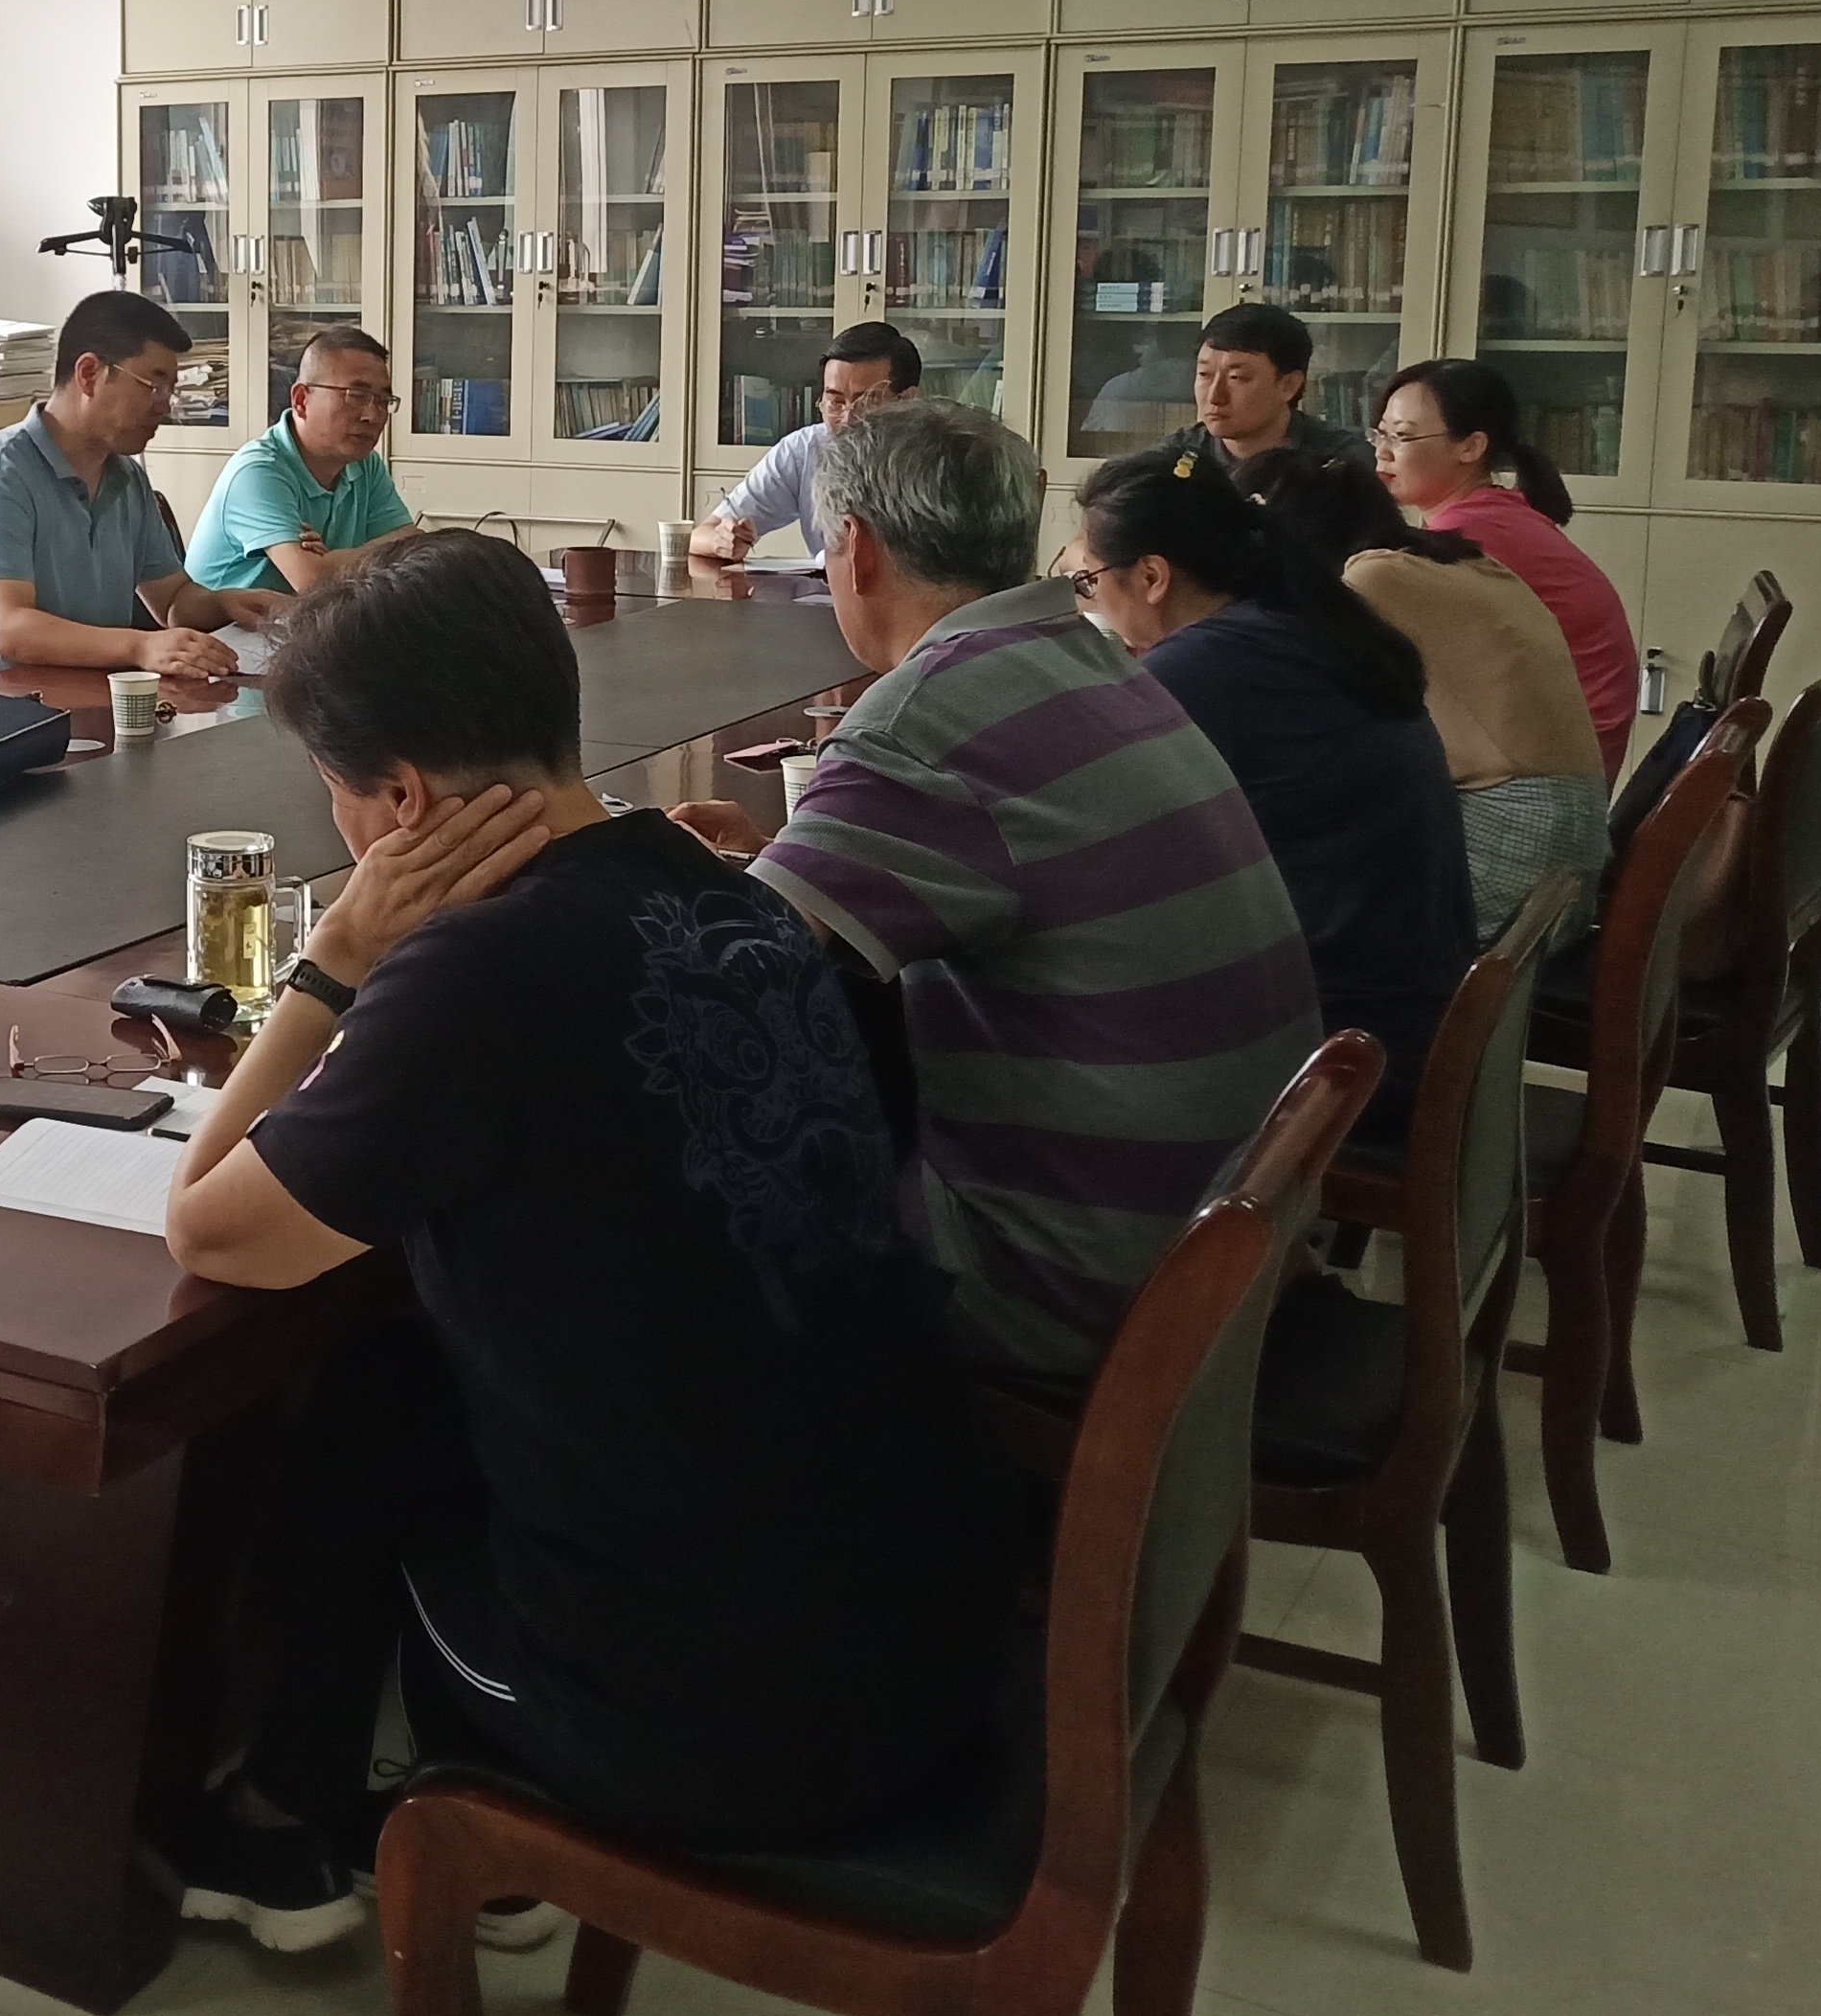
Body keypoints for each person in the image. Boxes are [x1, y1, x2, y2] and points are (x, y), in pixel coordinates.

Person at [157, 530, 1018, 1947]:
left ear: (401, 801)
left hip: (710, 1723)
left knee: (364, 1409)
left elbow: (210, 1227)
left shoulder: (477, 974)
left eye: (335, 790)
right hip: (930, 1626)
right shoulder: (731, 890)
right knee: (389, 1386)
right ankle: (299, 1814)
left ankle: (442, 1822)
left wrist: (336, 961)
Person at [667, 400, 1320, 1380]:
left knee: (669, 1200)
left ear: (855, 546)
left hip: (1088, 1283)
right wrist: (779, 866)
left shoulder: (924, 716)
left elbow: (714, 984)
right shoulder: (1090, 657)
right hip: (1230, 1229)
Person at [1064, 451, 1474, 1141]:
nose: (1090, 602)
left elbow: (1077, 819)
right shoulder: (1300, 623)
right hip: (1406, 1021)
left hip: (1344, 1059)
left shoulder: (1202, 666)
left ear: (1153, 577)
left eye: (1088, 582)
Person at [1241, 447, 1609, 942]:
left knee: (1285, 898)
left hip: (1514, 848)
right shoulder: (1459, 559)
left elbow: (1303, 710)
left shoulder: (1373, 578)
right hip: (1566, 859)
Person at [0, 288, 282, 683]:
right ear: (89, 374)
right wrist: (140, 646)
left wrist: (224, 603)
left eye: (171, 389)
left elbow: (172, 602)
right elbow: (12, 631)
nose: (166, 406)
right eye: (153, 385)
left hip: (92, 698)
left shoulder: (126, 477)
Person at [1374, 357, 1640, 779]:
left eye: (1402, 436)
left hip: (1545, 774)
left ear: (1471, 447)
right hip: (1560, 754)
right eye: (1381, 433)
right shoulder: (1490, 512)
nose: (1383, 452)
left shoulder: (1468, 533)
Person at [184, 324, 413, 595]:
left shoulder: (365, 464)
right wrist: (335, 563)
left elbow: (413, 546)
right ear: (302, 400)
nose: (372, 416)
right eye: (356, 396)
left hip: (309, 613)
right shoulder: (258, 471)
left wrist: (333, 559)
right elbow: (313, 581)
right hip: (228, 621)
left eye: (383, 401)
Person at [690, 321, 920, 561]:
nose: (848, 420)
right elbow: (701, 535)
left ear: (907, 400)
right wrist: (722, 540)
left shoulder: (935, 461)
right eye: (835, 402)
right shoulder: (805, 450)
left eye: (867, 402)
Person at [1166, 302, 1371, 478]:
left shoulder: (1341, 465)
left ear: (1289, 385)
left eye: (1237, 377)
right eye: (1204, 374)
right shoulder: (1174, 458)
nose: (1215, 396)